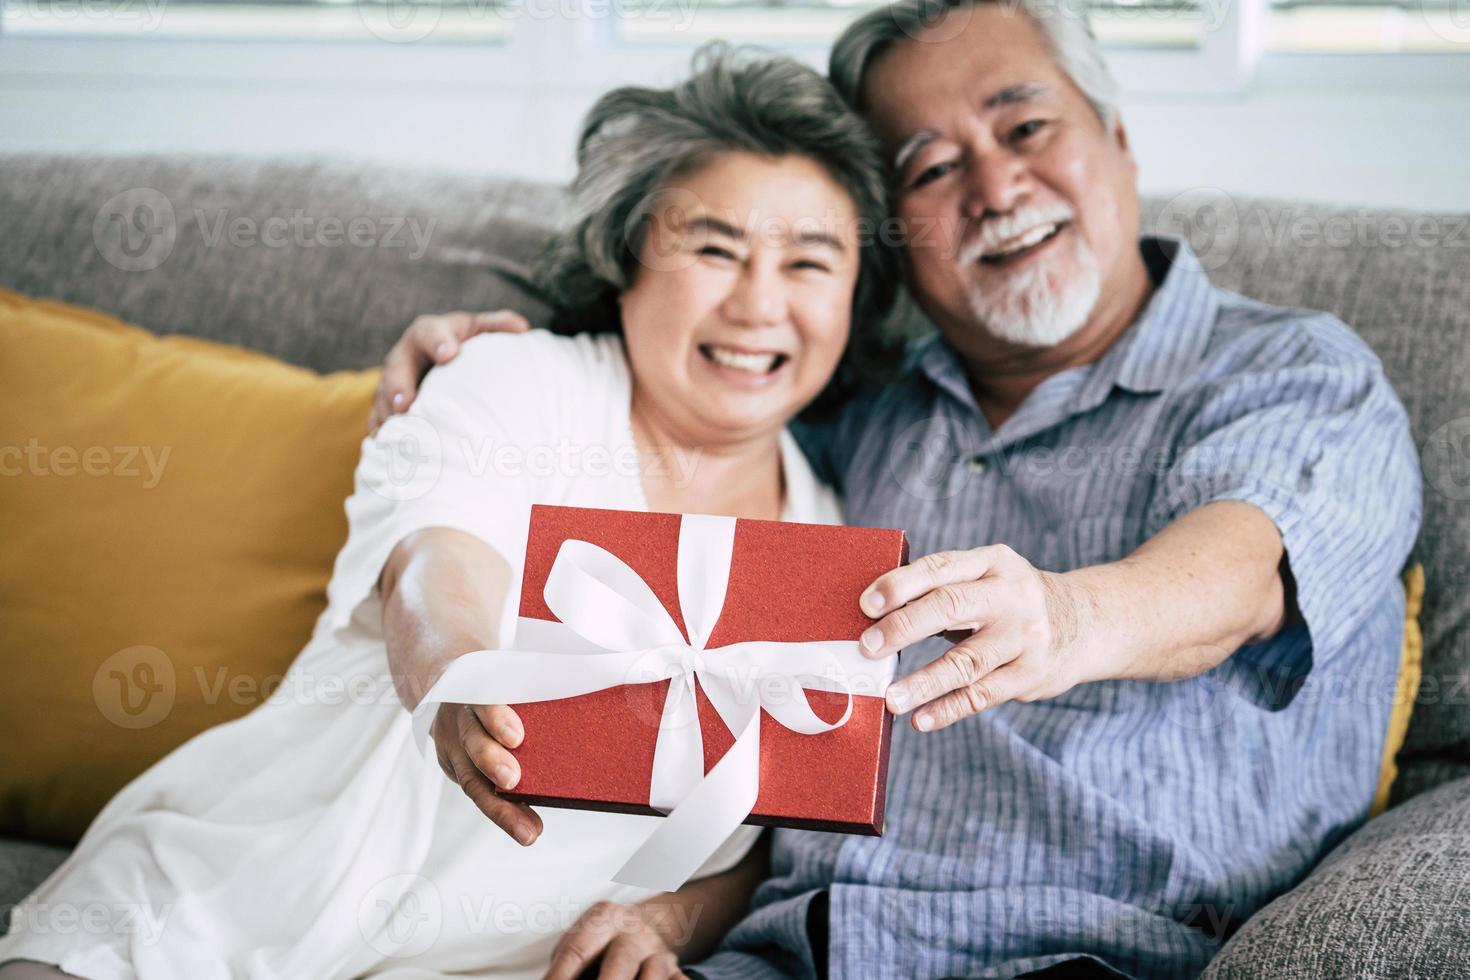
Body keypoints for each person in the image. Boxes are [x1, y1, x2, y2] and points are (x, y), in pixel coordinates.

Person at [370, 1, 1423, 977]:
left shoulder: (1290, 374)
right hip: (780, 951)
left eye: (1025, 129)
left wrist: (1066, 615)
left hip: (1087, 953)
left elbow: (1239, 574)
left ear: (1118, 136)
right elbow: (681, 374)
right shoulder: (851, 412)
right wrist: (477, 349)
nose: (996, 190)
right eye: (929, 168)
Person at [0, 46, 902, 980]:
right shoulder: (514, 382)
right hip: (250, 897)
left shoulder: (833, 537)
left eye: (808, 262)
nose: (758, 303)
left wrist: (672, 922)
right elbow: (436, 561)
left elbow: (772, 830)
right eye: (714, 249)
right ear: (626, 257)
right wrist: (460, 674)